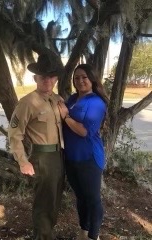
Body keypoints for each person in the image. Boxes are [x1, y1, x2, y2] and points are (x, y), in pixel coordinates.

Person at [8, 53, 65, 240]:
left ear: (55, 78)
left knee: (55, 200)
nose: (47, 80)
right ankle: (43, 236)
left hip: (59, 156)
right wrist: (23, 161)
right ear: (35, 78)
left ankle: (47, 233)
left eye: (50, 76)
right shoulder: (27, 103)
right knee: (44, 202)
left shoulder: (57, 99)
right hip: (42, 158)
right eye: (43, 76)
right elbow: (15, 134)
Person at [58, 64, 109, 240]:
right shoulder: (72, 99)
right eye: (77, 77)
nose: (80, 81)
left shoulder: (96, 102)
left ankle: (94, 236)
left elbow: (84, 131)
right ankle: (83, 232)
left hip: (89, 158)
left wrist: (66, 117)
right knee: (81, 197)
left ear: (92, 79)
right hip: (71, 158)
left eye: (84, 77)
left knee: (93, 199)